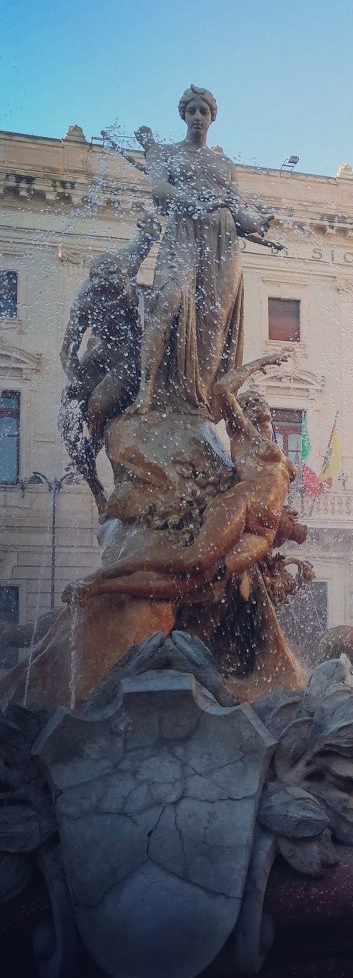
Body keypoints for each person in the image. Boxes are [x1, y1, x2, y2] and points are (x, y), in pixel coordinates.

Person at [67, 351, 303, 603]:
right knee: (194, 560)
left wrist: (294, 529)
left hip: (263, 533)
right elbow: (223, 389)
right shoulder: (245, 436)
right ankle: (103, 579)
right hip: (242, 506)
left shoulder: (269, 447)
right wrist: (260, 363)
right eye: (251, 405)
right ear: (241, 415)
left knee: (202, 579)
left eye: (261, 405)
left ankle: (103, 586)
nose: (259, 409)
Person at [129, 86, 275, 417]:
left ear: (212, 118)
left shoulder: (224, 164)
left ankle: (198, 408)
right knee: (167, 302)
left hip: (222, 244)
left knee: (213, 326)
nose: (198, 116)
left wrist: (257, 221)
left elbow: (238, 208)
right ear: (183, 114)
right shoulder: (165, 153)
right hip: (182, 233)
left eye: (204, 111)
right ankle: (145, 393)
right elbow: (160, 191)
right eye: (192, 110)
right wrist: (199, 202)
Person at [59, 216, 161, 514]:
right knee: (68, 415)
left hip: (130, 354)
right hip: (102, 351)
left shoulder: (126, 265)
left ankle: (96, 444)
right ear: (96, 288)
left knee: (96, 407)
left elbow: (146, 238)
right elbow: (67, 351)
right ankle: (95, 488)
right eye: (108, 292)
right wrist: (75, 378)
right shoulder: (84, 303)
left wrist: (150, 228)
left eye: (118, 289)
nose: (114, 294)